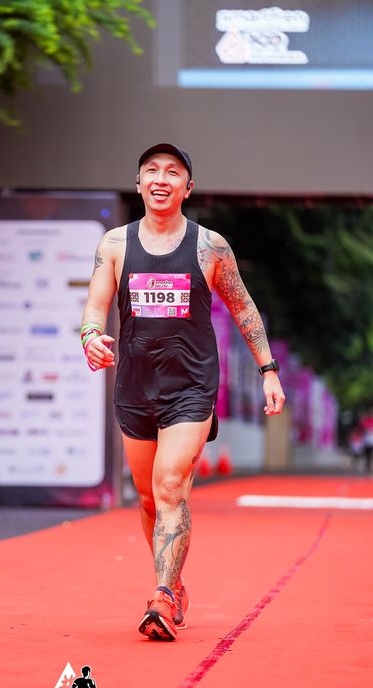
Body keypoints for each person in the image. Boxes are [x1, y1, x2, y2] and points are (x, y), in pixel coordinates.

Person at [81, 143, 285, 641]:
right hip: (135, 387)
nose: (161, 178)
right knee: (149, 499)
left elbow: (243, 307)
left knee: (170, 485)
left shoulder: (209, 246)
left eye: (173, 172)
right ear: (138, 184)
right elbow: (95, 306)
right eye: (151, 170)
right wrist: (90, 336)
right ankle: (173, 583)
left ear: (187, 188)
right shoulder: (115, 244)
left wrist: (268, 369)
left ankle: (162, 598)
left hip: (191, 387)